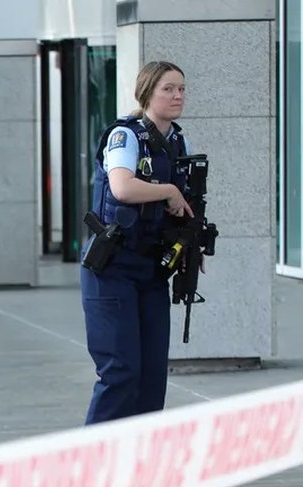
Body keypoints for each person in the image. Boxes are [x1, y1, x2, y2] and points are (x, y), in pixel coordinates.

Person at [82, 60, 196, 428]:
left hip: (150, 272)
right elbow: (122, 187)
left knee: (151, 379)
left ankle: (141, 472)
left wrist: (190, 246)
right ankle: (93, 470)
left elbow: (188, 205)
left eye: (181, 88)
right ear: (147, 92)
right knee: (120, 373)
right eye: (168, 89)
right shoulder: (126, 136)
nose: (177, 95)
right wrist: (168, 191)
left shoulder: (178, 141)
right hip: (112, 268)